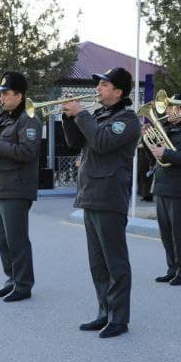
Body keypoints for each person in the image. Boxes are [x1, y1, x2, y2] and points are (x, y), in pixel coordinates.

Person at [63, 67, 141, 339]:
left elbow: (101, 142)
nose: (97, 89)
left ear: (118, 92)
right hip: (92, 194)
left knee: (115, 262)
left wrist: (81, 114)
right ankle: (104, 312)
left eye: (104, 85)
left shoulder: (127, 119)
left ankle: (119, 318)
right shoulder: (99, 115)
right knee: (97, 262)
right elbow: (75, 142)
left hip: (109, 196)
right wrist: (68, 116)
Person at [0, 72, 43, 303]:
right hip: (1, 186)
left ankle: (24, 284)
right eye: (1, 94)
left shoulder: (29, 119)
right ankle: (12, 279)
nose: (1, 98)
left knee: (17, 239)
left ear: (19, 94)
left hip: (17, 187)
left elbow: (28, 152)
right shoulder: (6, 118)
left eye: (5, 93)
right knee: (3, 239)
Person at [146, 93, 181, 287]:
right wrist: (149, 145)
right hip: (162, 185)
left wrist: (164, 152)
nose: (166, 111)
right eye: (166, 108)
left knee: (178, 233)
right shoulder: (166, 127)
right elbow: (155, 160)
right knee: (165, 232)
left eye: (170, 107)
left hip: (178, 187)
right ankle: (171, 269)